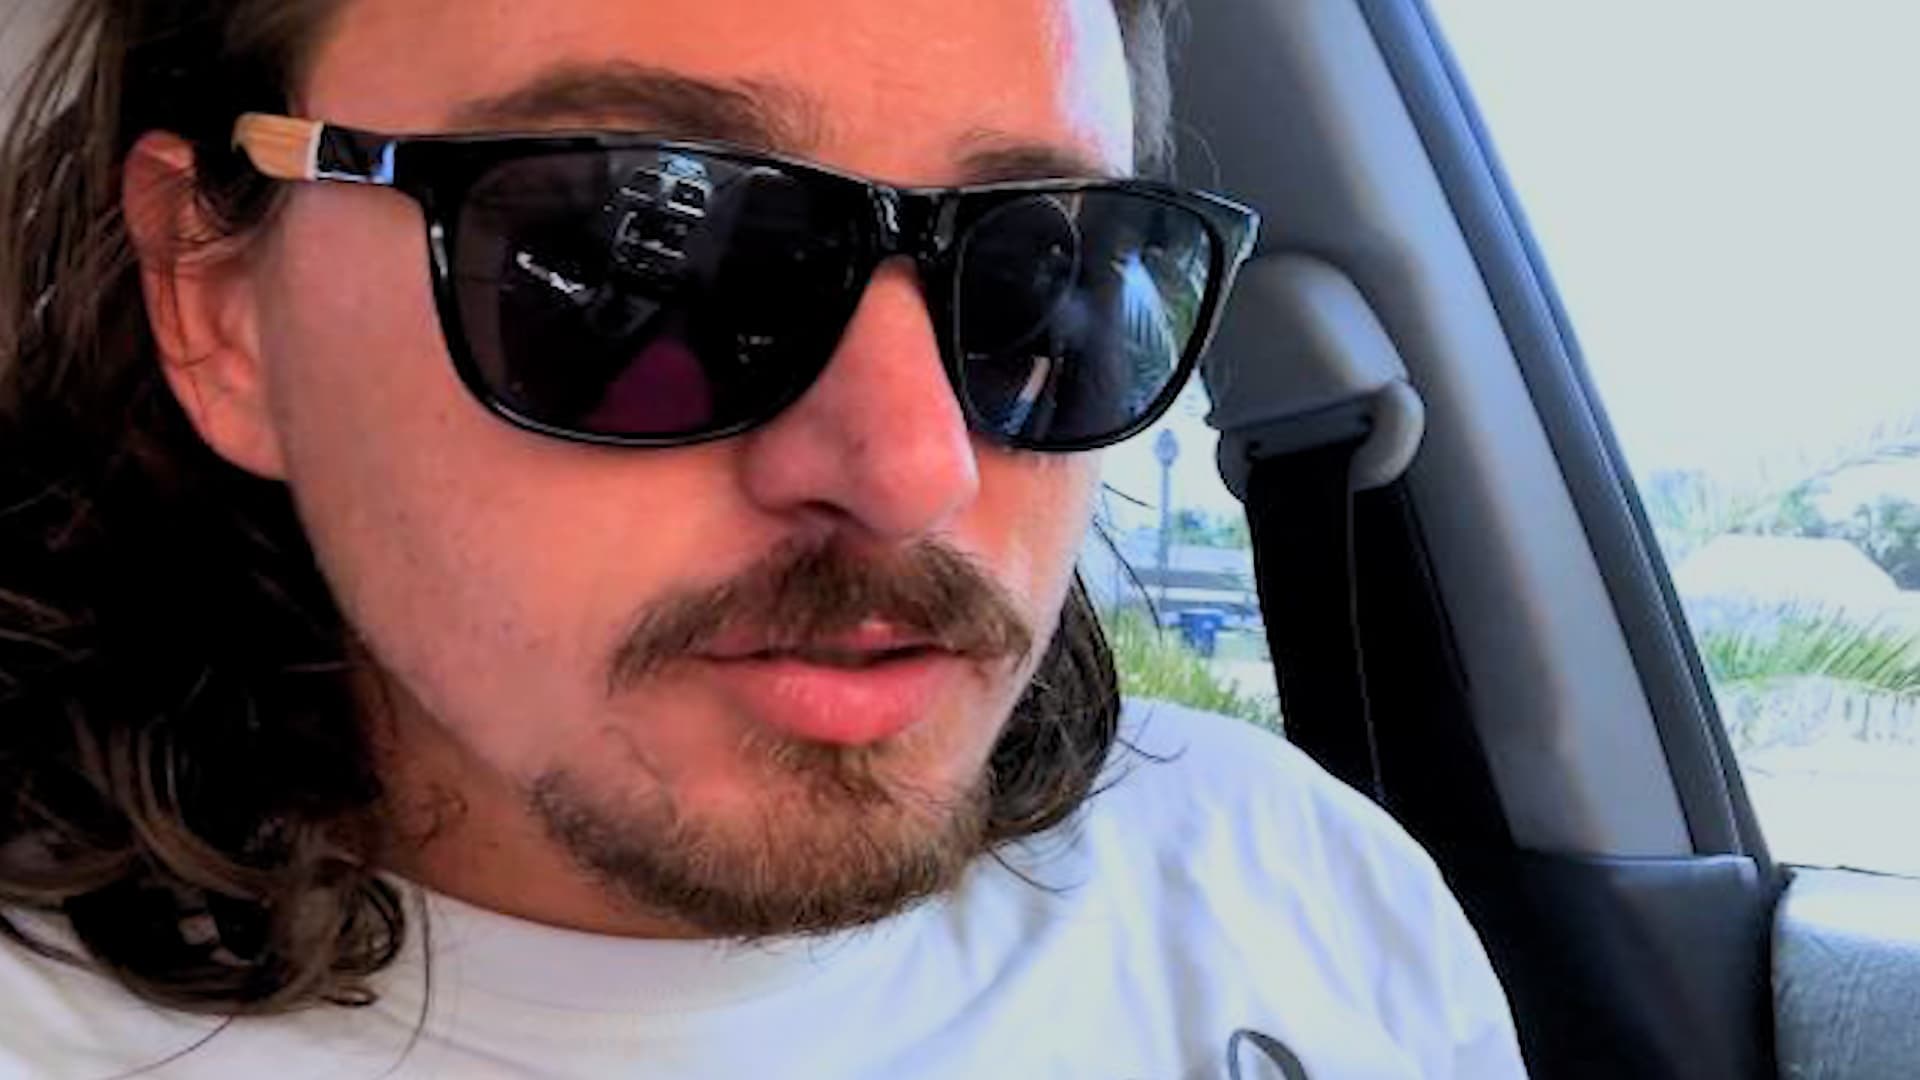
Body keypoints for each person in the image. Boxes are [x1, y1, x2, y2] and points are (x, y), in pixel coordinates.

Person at [0, 0, 1529, 1076]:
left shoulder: (1295, 889)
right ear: (218, 301)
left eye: (1034, 277)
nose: (914, 470)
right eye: (636, 259)